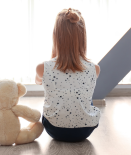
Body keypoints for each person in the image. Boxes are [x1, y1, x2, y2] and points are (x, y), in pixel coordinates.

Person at [35, 8, 101, 142]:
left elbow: (38, 81)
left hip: (55, 129)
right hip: (85, 129)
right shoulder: (95, 69)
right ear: (82, 37)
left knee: (52, 96)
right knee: (84, 97)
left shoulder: (42, 67)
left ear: (55, 36)